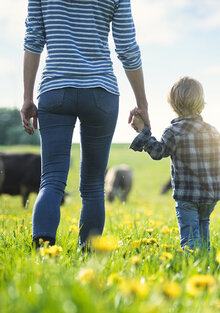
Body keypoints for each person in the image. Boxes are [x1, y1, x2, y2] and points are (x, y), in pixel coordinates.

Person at [21, 0, 150, 248]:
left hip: (55, 90)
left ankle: (43, 254)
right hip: (101, 93)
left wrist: (27, 97)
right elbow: (127, 46)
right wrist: (142, 103)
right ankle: (89, 256)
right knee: (93, 185)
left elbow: (33, 39)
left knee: (51, 180)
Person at [129, 77, 220, 250]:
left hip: (187, 196)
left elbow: (158, 152)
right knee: (203, 224)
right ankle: (205, 259)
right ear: (202, 102)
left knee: (190, 238)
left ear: (173, 105)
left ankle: (193, 263)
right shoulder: (213, 131)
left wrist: (144, 131)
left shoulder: (173, 132)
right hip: (210, 195)